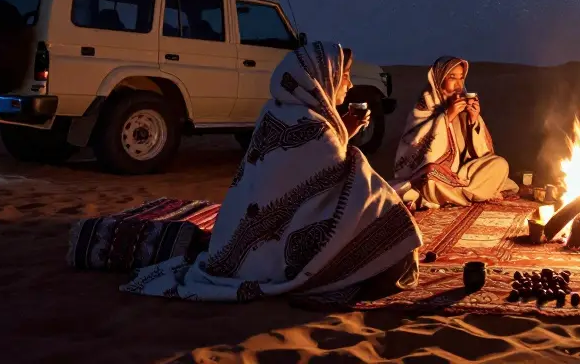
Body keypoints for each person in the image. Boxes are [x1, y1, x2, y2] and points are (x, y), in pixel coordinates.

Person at [121, 41, 422, 302]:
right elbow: (338, 175)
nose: (349, 84)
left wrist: (344, 129)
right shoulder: (314, 128)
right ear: (322, 79)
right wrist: (348, 142)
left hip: (238, 240)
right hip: (271, 255)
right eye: (344, 75)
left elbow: (310, 172)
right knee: (379, 206)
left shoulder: (277, 111)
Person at [392, 56, 517, 209]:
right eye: (452, 77)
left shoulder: (463, 102)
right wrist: (447, 117)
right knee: (430, 178)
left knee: (500, 164)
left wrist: (473, 120)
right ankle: (475, 193)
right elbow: (413, 144)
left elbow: (483, 153)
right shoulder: (424, 105)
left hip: (463, 173)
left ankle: (457, 194)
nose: (458, 84)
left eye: (461, 78)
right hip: (437, 172)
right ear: (439, 79)